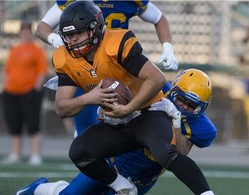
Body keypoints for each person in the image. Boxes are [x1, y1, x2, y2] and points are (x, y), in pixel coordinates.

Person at [13, 2, 228, 195]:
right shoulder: (64, 57)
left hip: (145, 115)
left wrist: (132, 108)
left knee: (163, 154)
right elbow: (62, 109)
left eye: (78, 34)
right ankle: (114, 187)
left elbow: (156, 78)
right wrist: (90, 97)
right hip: (117, 125)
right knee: (74, 177)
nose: (72, 41)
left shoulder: (118, 42)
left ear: (95, 29)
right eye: (68, 36)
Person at [11, 69, 228, 195]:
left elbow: (177, 154)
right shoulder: (154, 91)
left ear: (202, 108)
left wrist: (176, 121)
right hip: (113, 164)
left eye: (193, 106)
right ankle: (39, 188)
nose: (185, 107)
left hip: (143, 179)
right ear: (173, 91)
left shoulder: (203, 128)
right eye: (181, 99)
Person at [36, 0, 178, 135]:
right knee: (86, 130)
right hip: (85, 65)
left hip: (119, 66)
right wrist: (53, 38)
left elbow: (159, 18)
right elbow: (42, 27)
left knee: (168, 98)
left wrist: (167, 48)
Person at [1, 21, 48, 165]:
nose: (25, 34)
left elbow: (42, 71)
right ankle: (15, 154)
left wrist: (36, 88)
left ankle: (35, 155)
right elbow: (7, 70)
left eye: (28, 31)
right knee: (14, 123)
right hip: (11, 92)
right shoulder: (14, 50)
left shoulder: (37, 50)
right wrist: (5, 85)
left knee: (33, 123)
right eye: (23, 31)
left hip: (29, 92)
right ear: (20, 33)